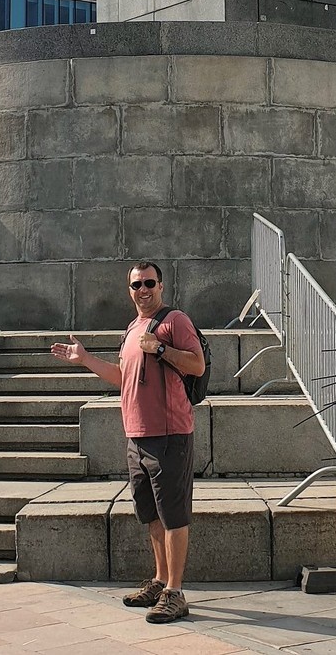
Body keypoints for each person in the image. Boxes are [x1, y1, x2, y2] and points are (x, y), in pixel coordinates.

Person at [51, 260, 205, 623]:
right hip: (136, 435)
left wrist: (161, 349)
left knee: (174, 516)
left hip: (170, 435)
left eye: (149, 282)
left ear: (162, 286)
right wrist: (85, 359)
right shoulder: (132, 329)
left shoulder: (174, 321)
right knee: (151, 515)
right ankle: (160, 579)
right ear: (129, 290)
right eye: (136, 285)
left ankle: (175, 592)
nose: (143, 290)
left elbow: (196, 365)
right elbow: (124, 378)